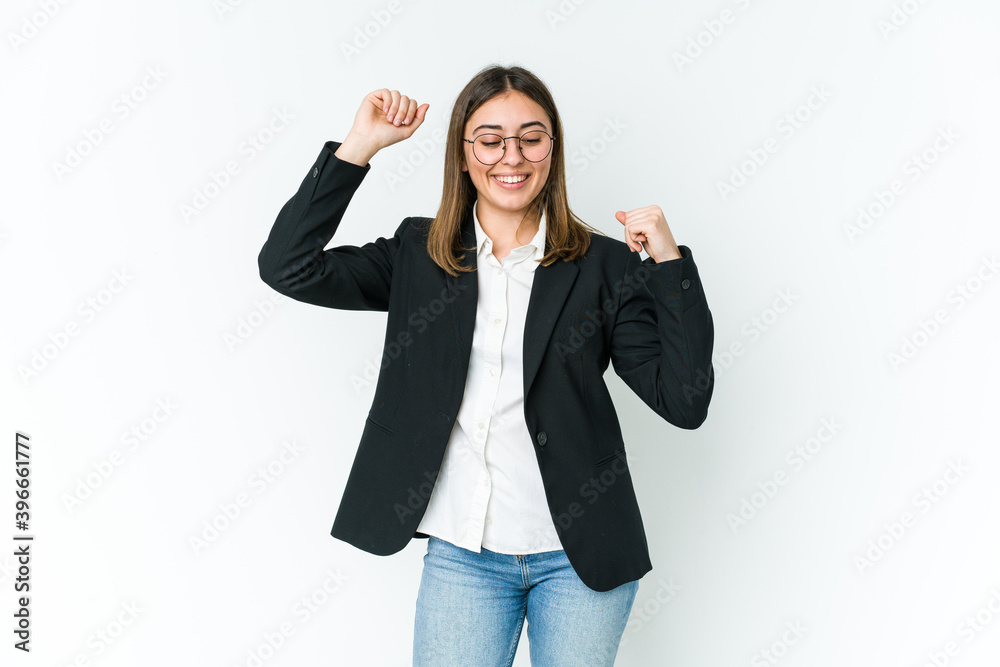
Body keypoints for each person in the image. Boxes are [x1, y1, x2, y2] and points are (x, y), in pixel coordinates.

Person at [258, 64, 715, 666]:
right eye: (490, 138)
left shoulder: (605, 266)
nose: (512, 156)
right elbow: (289, 267)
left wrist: (668, 264)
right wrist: (358, 148)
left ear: (552, 148)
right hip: (463, 557)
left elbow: (684, 401)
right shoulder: (418, 256)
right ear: (464, 152)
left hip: (581, 556)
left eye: (531, 136)